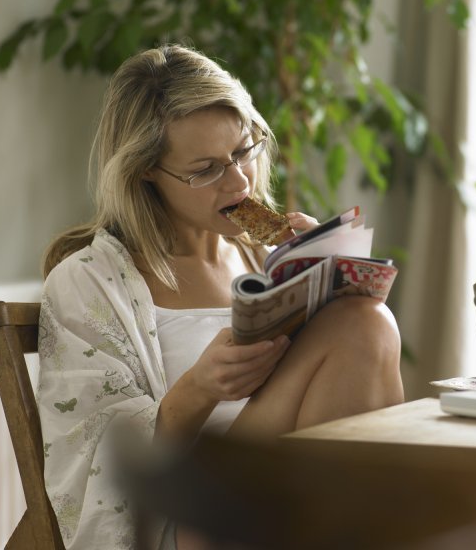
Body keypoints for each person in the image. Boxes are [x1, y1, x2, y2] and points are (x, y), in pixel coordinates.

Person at [37, 44, 404, 550]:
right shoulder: (88, 281)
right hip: (193, 518)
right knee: (365, 324)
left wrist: (327, 273)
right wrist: (199, 388)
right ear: (145, 171)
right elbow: (96, 457)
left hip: (292, 505)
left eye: (242, 152)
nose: (237, 181)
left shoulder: (262, 259)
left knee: (367, 320)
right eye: (205, 168)